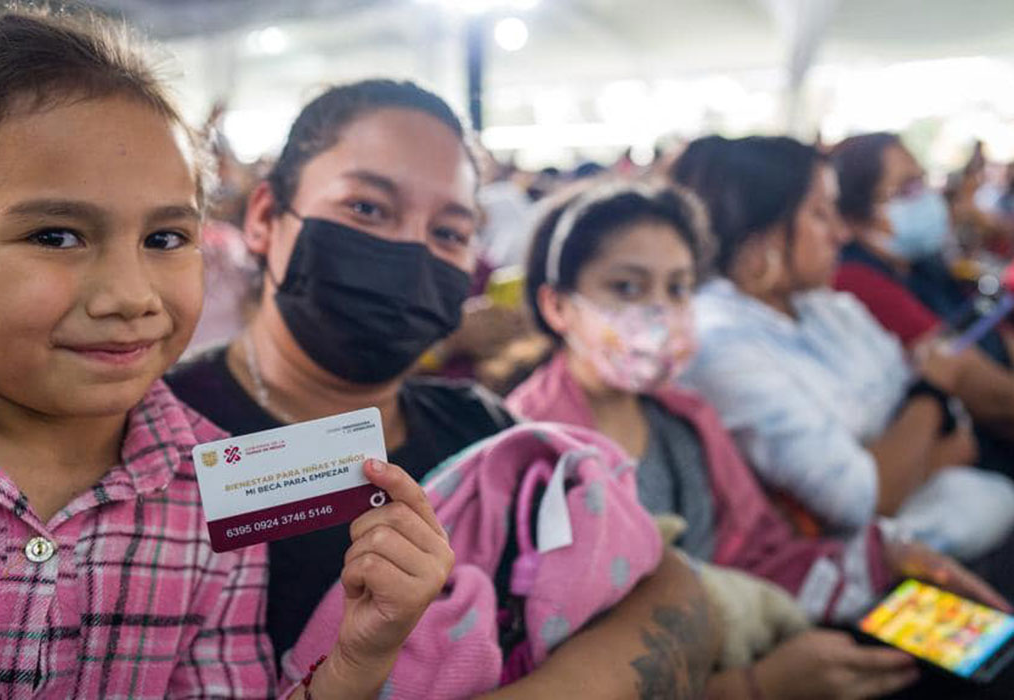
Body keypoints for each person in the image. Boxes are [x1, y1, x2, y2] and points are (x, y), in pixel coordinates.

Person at [0, 14, 454, 698]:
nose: (129, 296)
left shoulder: (215, 495)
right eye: (56, 236)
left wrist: (356, 661)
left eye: (166, 238)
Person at [168, 79, 720, 696]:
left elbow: (676, 591)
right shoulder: (154, 436)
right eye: (368, 209)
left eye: (450, 232)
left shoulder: (480, 431)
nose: (410, 250)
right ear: (267, 217)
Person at [508, 180, 1008, 699]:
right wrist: (752, 687)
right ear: (557, 306)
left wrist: (887, 556)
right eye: (628, 289)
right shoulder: (524, 457)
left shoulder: (684, 419)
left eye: (677, 288)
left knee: (974, 654)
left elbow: (761, 553)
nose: (659, 311)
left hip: (761, 638)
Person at [671, 136, 1014, 563]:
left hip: (950, 535)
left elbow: (960, 439)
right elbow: (863, 502)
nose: (841, 231)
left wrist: (903, 451)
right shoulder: (718, 343)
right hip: (879, 580)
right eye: (820, 214)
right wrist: (930, 395)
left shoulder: (828, 307)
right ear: (766, 233)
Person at [831, 132, 1014, 476]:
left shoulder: (921, 263)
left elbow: (993, 332)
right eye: (908, 188)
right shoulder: (856, 278)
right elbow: (972, 381)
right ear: (859, 212)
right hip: (965, 455)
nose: (926, 198)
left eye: (922, 182)